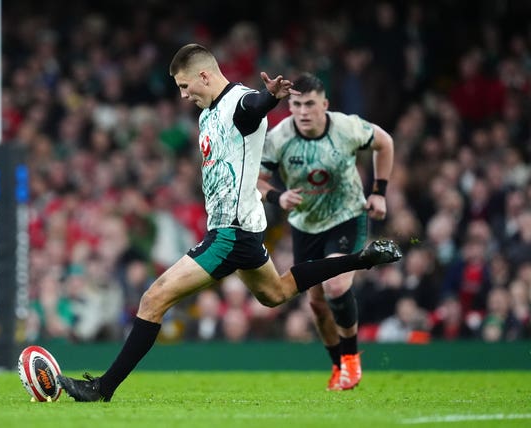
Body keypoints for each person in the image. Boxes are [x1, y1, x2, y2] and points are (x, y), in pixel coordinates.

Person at [57, 44, 401, 402]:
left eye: (185, 86)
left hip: (230, 234)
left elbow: (253, 109)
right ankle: (362, 259)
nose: (184, 94)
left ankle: (102, 388)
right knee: (277, 293)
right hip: (243, 230)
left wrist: (269, 97)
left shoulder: (240, 101)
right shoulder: (208, 112)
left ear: (205, 75)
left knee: (153, 299)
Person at [258, 72, 395, 390]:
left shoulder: (346, 127)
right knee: (317, 305)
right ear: (289, 106)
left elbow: (384, 143)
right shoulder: (279, 138)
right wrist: (278, 196)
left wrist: (379, 191)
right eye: (296, 104)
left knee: (335, 287)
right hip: (305, 226)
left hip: (346, 216)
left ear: (325, 104)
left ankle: (351, 360)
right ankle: (339, 367)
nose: (303, 111)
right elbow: (257, 179)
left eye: (310, 104)